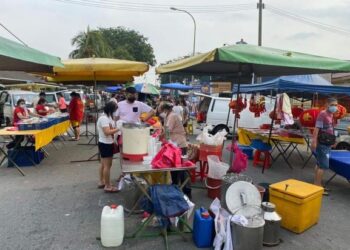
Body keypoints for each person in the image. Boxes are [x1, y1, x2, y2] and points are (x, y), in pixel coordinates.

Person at [160, 102, 191, 198]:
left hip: (180, 145)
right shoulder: (168, 116)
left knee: (181, 169)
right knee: (174, 169)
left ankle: (186, 192)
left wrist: (161, 137)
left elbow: (167, 130)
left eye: (161, 110)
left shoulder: (172, 116)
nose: (161, 112)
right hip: (175, 145)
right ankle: (176, 190)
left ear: (165, 110)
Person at [311, 97, 338, 195]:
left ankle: (317, 184)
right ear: (327, 105)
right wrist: (314, 141)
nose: (335, 107)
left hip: (327, 142)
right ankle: (318, 187)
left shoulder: (331, 114)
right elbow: (317, 128)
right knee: (323, 165)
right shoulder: (323, 114)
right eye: (333, 105)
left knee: (319, 164)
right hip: (322, 142)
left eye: (336, 105)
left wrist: (333, 140)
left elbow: (331, 129)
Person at [97, 101, 119, 193]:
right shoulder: (104, 118)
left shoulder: (108, 117)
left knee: (103, 164)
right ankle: (107, 186)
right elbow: (107, 132)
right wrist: (119, 128)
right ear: (111, 110)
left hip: (106, 143)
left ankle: (102, 181)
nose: (116, 112)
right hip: (105, 144)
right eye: (115, 110)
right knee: (107, 166)